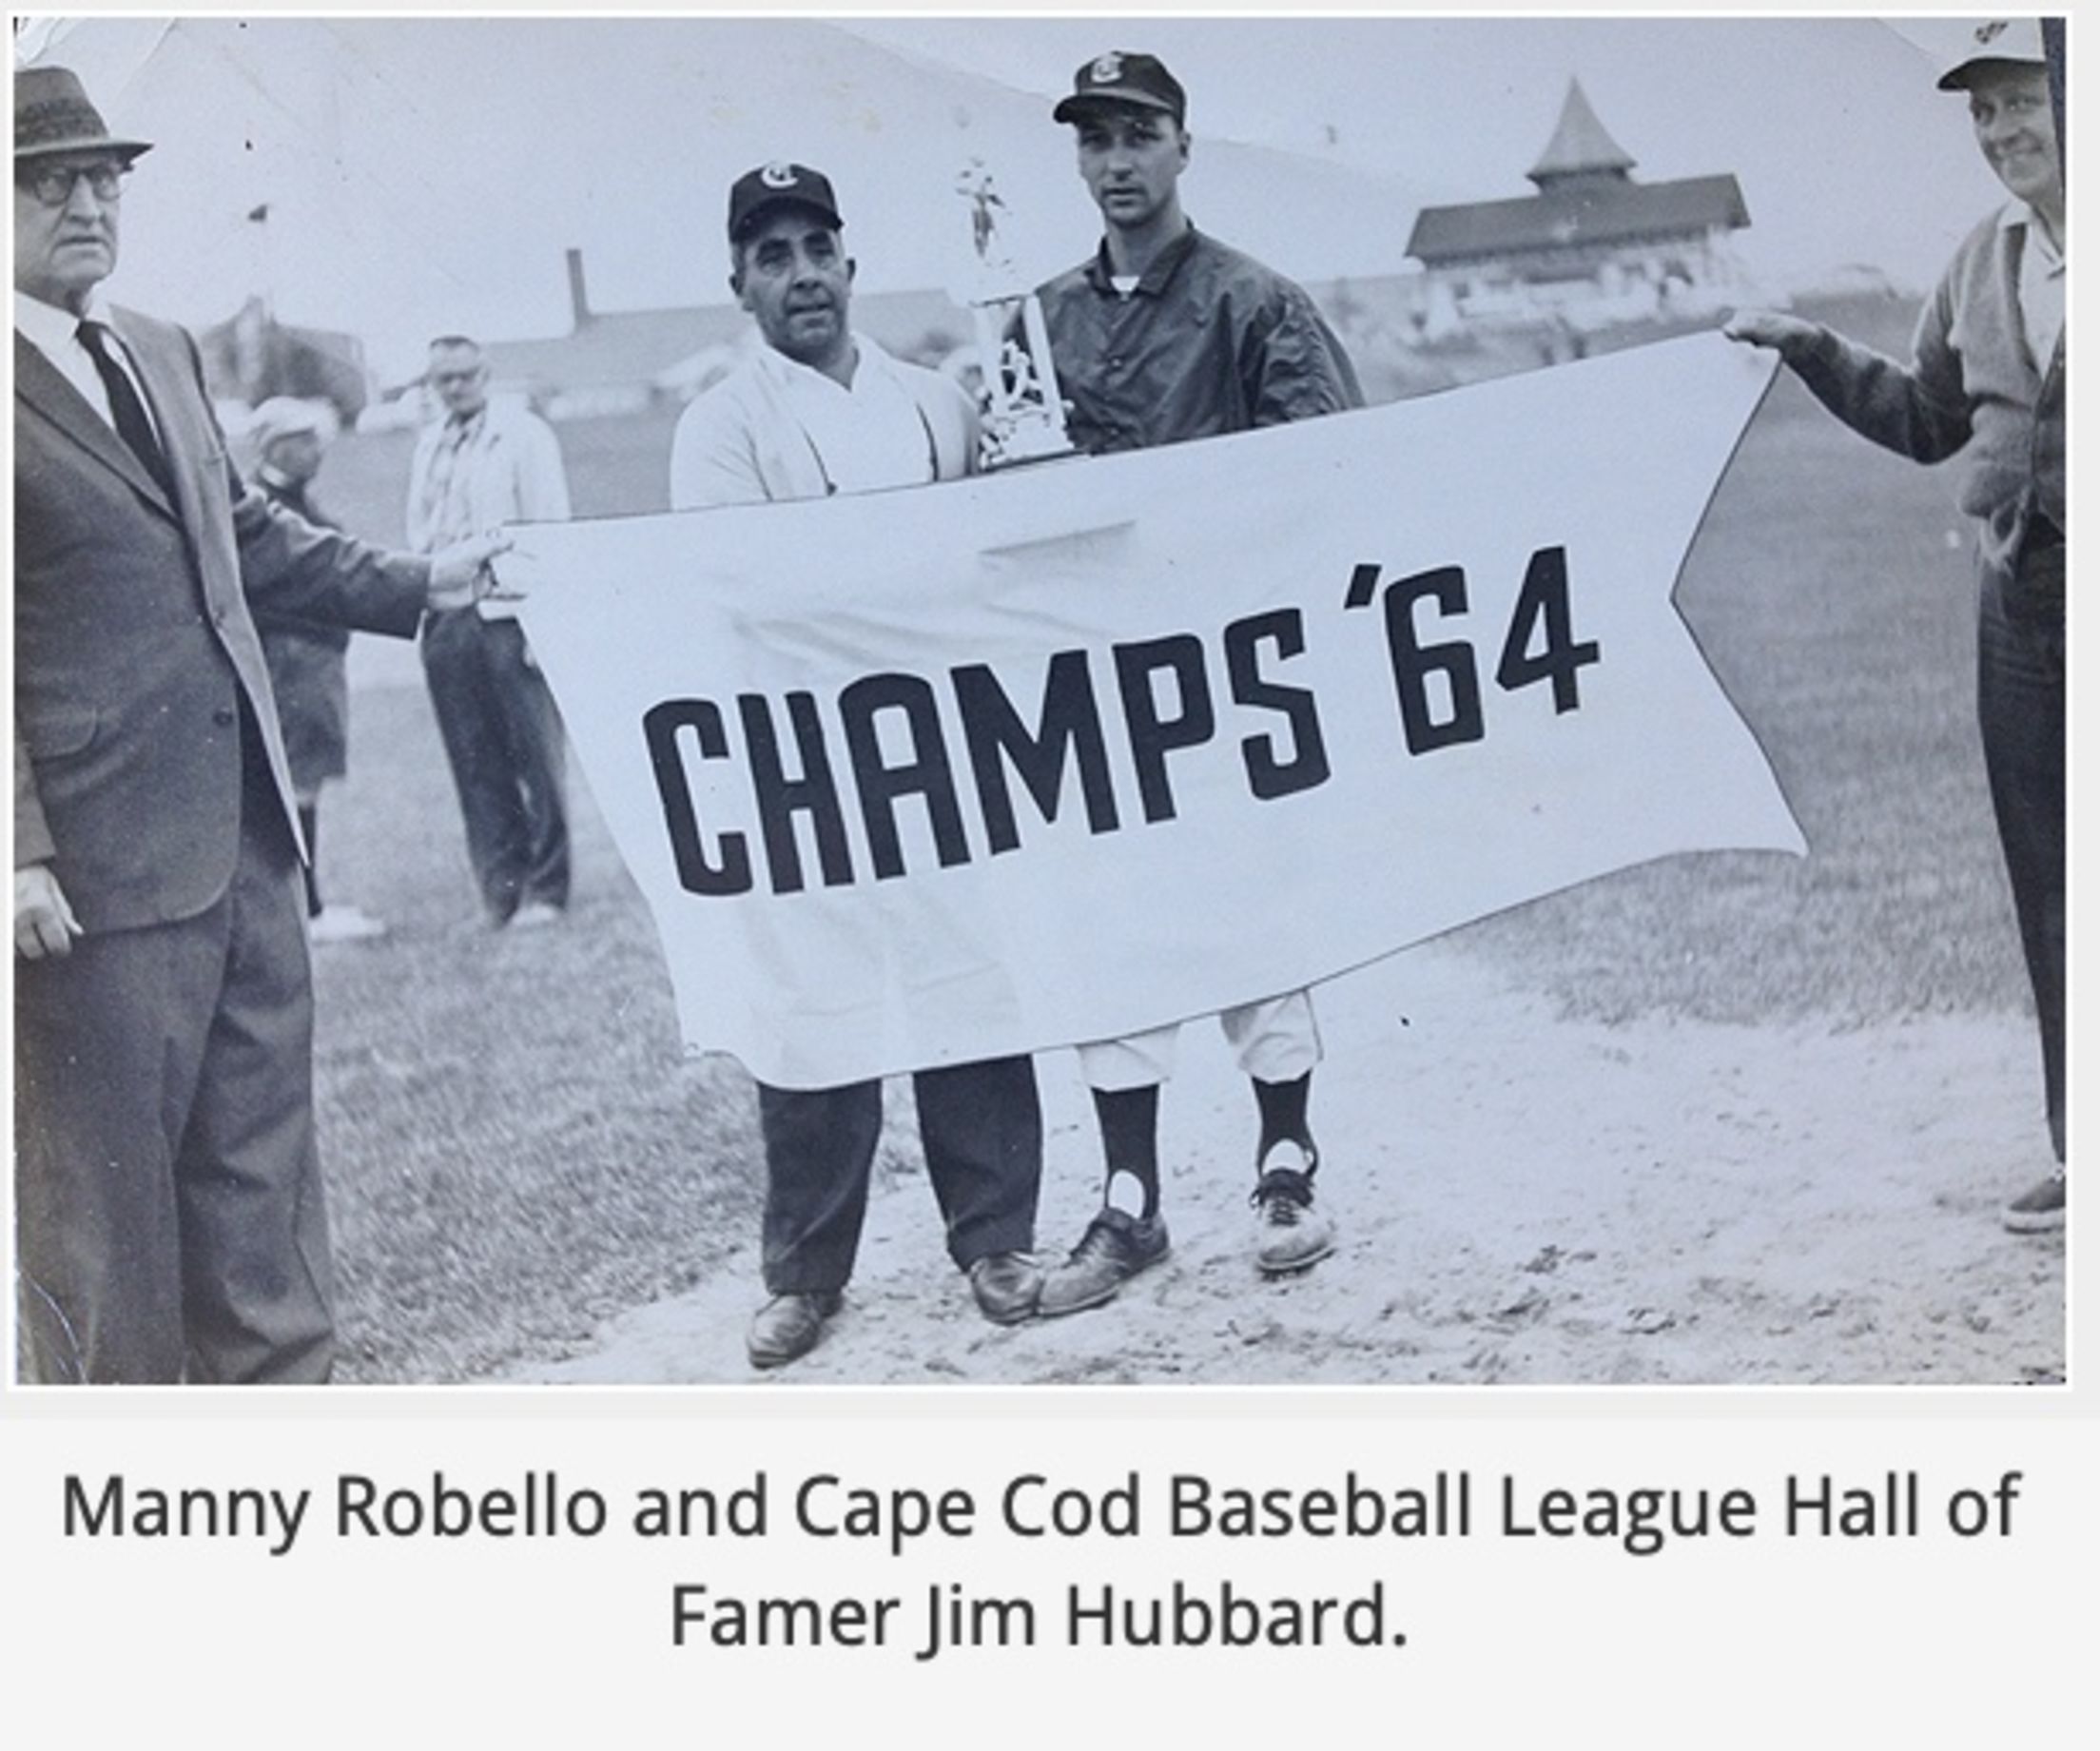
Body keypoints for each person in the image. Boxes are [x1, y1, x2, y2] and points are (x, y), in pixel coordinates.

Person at [13, 67, 504, 1382]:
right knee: (103, 1237)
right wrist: (16, 849)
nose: (87, 203)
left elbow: (246, 537)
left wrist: (425, 581)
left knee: (263, 1207)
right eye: (48, 181)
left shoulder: (159, 348)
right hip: (90, 883)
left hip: (245, 843)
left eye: (105, 177)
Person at [670, 162, 1047, 1368]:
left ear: (850, 263)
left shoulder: (935, 402)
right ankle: (806, 1270)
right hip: (807, 753)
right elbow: (751, 590)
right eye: (772, 257)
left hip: (938, 741)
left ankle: (995, 1234)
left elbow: (990, 563)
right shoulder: (721, 427)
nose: (802, 277)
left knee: (967, 979)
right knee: (813, 1004)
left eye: (817, 250)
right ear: (740, 284)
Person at [1026, 50, 1366, 1315]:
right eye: (1095, 138)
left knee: (1251, 908)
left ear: (1182, 144)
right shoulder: (1038, 317)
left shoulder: (1253, 301)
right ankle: (1131, 1196)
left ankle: (1286, 1162)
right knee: (1110, 923)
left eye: (1138, 133)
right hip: (1094, 675)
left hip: (1226, 665)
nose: (1117, 161)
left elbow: (1323, 470)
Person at [1725, 17, 2065, 1235]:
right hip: (2022, 599)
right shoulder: (1982, 259)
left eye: (2023, 99)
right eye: (1983, 110)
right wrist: (1813, 350)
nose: (2002, 130)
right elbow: (1928, 419)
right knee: (2053, 881)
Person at [405, 333, 574, 929]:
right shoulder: (431, 442)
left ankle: (547, 889)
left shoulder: (524, 436)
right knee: (475, 761)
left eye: (466, 376)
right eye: (444, 379)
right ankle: (501, 891)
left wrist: (543, 622)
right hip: (448, 615)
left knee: (535, 756)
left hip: (508, 613)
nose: (456, 388)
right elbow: (420, 529)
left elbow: (549, 526)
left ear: (486, 374)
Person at [244, 396, 386, 944]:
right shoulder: (265, 508)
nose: (317, 449)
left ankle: (305, 906)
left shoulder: (293, 503)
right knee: (297, 781)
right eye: (303, 439)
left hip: (308, 657)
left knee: (304, 781)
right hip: (292, 658)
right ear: (274, 446)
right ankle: (306, 910)